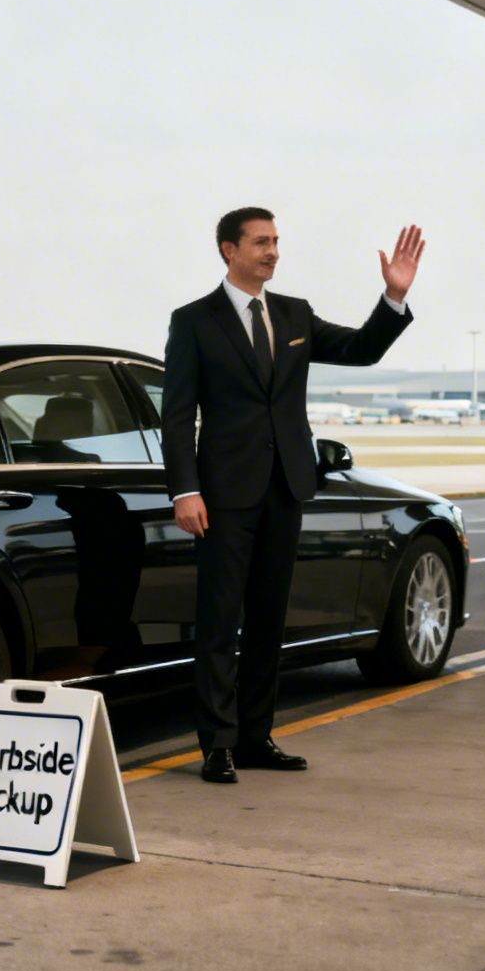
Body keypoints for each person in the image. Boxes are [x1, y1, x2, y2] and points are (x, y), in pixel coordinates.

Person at [162, 208, 422, 784]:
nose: (272, 251)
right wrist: (185, 489)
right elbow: (177, 416)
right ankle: (218, 745)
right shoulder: (194, 322)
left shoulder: (293, 314)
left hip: (285, 489)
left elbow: (361, 350)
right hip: (224, 496)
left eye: (276, 241)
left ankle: (256, 736)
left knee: (267, 621)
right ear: (228, 250)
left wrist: (393, 299)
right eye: (260, 242)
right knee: (219, 621)